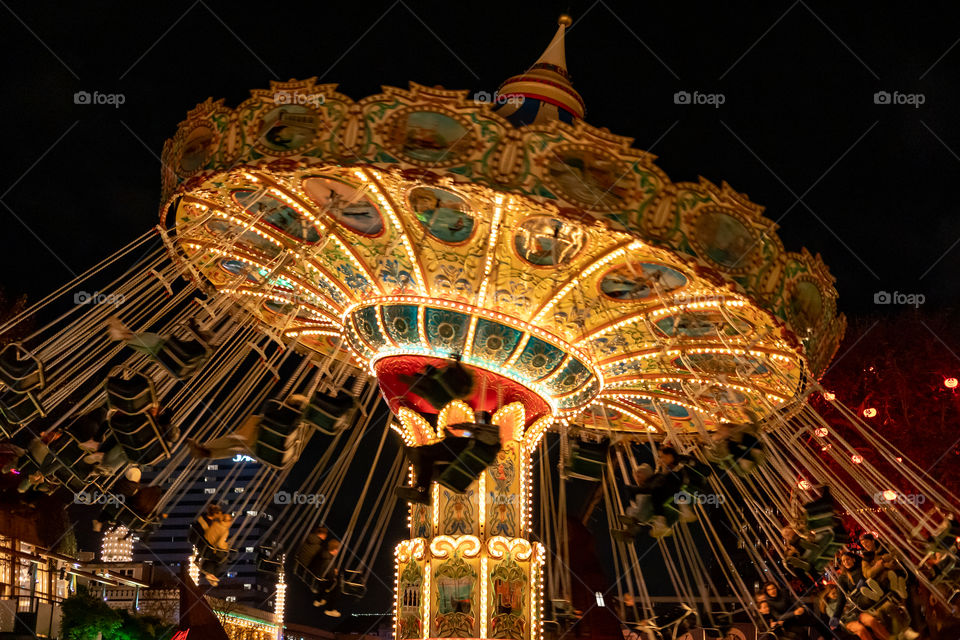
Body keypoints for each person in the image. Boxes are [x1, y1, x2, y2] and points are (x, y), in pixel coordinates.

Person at [396, 416, 500, 505]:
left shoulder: (495, 432)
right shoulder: (491, 441)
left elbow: (485, 431)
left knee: (436, 450)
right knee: (432, 464)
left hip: (472, 449)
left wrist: (465, 426)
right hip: (471, 454)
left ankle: (421, 458)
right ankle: (422, 489)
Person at [196, 504, 233, 586]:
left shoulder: (215, 523)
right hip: (209, 549)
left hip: (203, 545)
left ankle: (208, 571)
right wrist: (226, 547)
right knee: (225, 558)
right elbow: (220, 544)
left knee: (217, 555)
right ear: (228, 521)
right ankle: (213, 574)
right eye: (231, 521)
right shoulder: (225, 530)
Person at [308, 539, 342, 618]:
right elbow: (330, 576)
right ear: (335, 550)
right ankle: (330, 610)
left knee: (326, 582)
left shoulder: (324, 554)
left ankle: (318, 600)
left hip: (317, 575)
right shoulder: (329, 561)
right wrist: (335, 575)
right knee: (337, 588)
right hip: (323, 580)